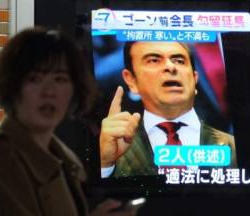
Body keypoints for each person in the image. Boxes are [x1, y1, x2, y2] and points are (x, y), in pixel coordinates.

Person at [0, 27, 136, 216]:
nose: (49, 91)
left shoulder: (62, 155)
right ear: (12, 86)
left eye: (60, 79)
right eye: (34, 79)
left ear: (74, 89)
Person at [100, 41, 237, 178]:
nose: (170, 67)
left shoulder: (232, 147)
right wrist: (105, 164)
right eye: (154, 60)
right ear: (131, 80)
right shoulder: (113, 151)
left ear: (195, 78)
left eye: (179, 61)